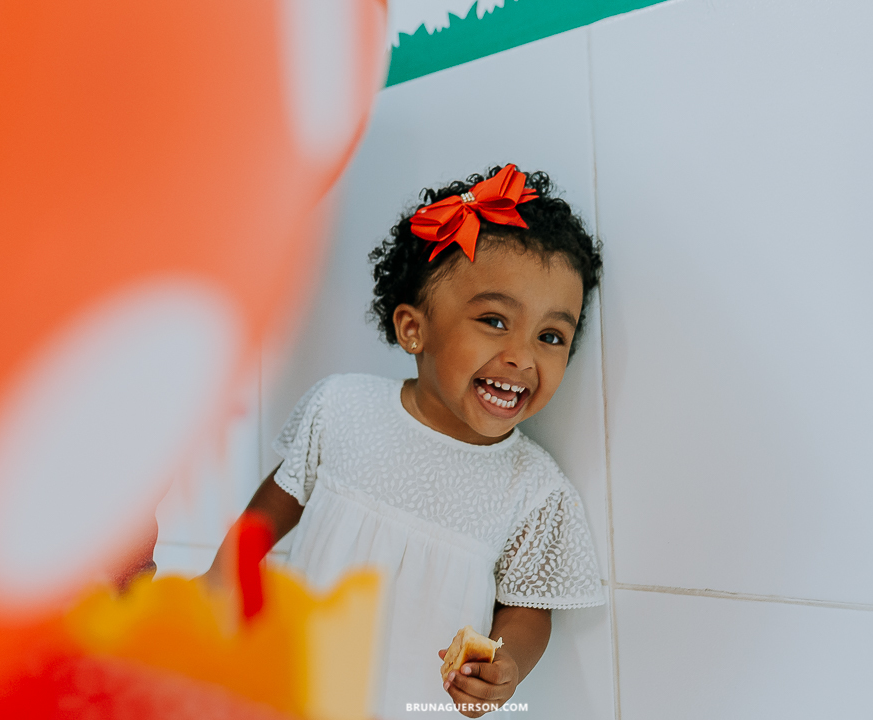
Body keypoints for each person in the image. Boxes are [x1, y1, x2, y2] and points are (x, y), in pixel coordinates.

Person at [204, 164, 605, 719]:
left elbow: (528, 609)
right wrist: (219, 585)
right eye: (494, 320)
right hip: (291, 686)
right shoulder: (342, 408)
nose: (523, 356)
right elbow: (271, 509)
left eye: (551, 336)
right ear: (413, 328)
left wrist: (506, 663)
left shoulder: (534, 489)